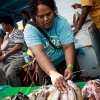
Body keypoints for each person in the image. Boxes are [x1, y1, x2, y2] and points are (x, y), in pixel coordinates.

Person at [24, 0, 75, 92]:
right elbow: (39, 53)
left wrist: (70, 66)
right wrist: (52, 73)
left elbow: (68, 47)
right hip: (45, 68)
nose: (46, 19)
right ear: (34, 16)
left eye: (48, 14)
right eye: (41, 16)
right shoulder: (30, 30)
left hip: (64, 62)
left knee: (72, 89)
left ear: (53, 10)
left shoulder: (61, 22)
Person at [0, 15, 27, 86]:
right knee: (1, 76)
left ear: (8, 24)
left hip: (17, 59)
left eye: (3, 25)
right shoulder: (6, 36)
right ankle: (7, 91)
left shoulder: (17, 32)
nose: (2, 27)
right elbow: (3, 48)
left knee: (10, 74)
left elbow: (18, 46)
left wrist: (5, 55)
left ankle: (18, 92)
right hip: (6, 61)